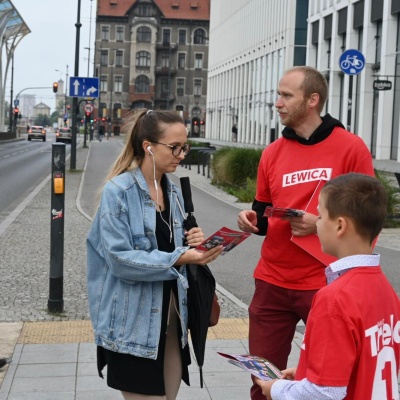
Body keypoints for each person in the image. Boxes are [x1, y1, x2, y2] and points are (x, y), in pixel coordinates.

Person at [237, 66, 375, 400]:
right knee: (262, 379)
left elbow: (370, 219)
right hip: (271, 282)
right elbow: (265, 216)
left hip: (326, 284)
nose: (277, 103)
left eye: (286, 95)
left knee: (322, 380)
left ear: (312, 100)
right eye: (278, 94)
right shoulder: (272, 152)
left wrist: (319, 224)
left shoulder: (351, 147)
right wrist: (249, 220)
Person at [86, 109, 223, 400]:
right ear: (148, 146)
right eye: (175, 147)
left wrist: (193, 243)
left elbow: (172, 246)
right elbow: (120, 260)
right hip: (134, 326)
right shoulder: (119, 192)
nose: (182, 154)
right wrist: (180, 257)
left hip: (173, 321)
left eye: (184, 146)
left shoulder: (171, 191)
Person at [255, 173, 400, 399]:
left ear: (340, 226)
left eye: (320, 217)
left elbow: (323, 392)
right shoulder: (386, 290)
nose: (317, 222)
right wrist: (306, 373)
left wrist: (275, 389)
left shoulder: (333, 299)